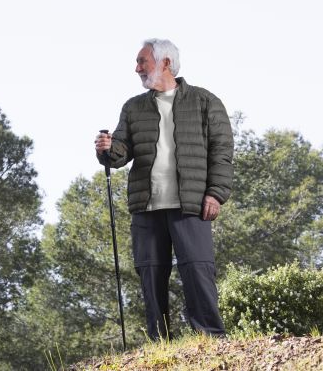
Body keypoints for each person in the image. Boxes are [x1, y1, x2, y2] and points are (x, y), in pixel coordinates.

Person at [94, 38, 233, 339]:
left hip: (191, 204)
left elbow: (222, 153)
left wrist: (215, 193)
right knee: (150, 275)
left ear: (165, 62)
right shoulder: (133, 107)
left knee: (197, 270)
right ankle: (160, 342)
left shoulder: (205, 101)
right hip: (147, 206)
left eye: (142, 61)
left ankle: (211, 338)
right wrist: (107, 149)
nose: (137, 68)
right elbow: (120, 153)